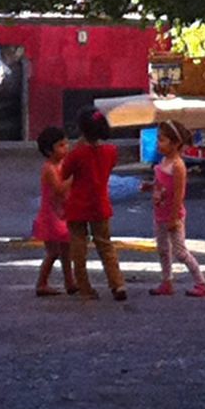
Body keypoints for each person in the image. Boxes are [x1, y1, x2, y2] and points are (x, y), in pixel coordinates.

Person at [60, 107, 127, 302]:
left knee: (79, 247)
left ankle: (85, 287)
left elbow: (65, 173)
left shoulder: (77, 154)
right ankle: (117, 283)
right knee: (105, 245)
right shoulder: (111, 151)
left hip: (78, 204)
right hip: (100, 204)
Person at [143, 120, 205, 299]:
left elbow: (179, 194)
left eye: (162, 140)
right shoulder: (164, 161)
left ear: (175, 144)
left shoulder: (178, 166)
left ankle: (201, 283)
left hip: (172, 216)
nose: (158, 143)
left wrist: (173, 218)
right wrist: (150, 187)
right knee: (163, 249)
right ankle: (166, 281)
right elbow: (162, 184)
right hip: (160, 214)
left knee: (180, 252)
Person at [32, 126, 77, 297]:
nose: (66, 148)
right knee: (53, 252)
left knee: (67, 251)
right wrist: (73, 178)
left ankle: (70, 282)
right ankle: (41, 283)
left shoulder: (61, 164)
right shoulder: (49, 168)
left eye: (66, 144)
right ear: (48, 150)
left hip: (62, 213)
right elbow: (58, 189)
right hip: (51, 216)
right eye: (61, 145)